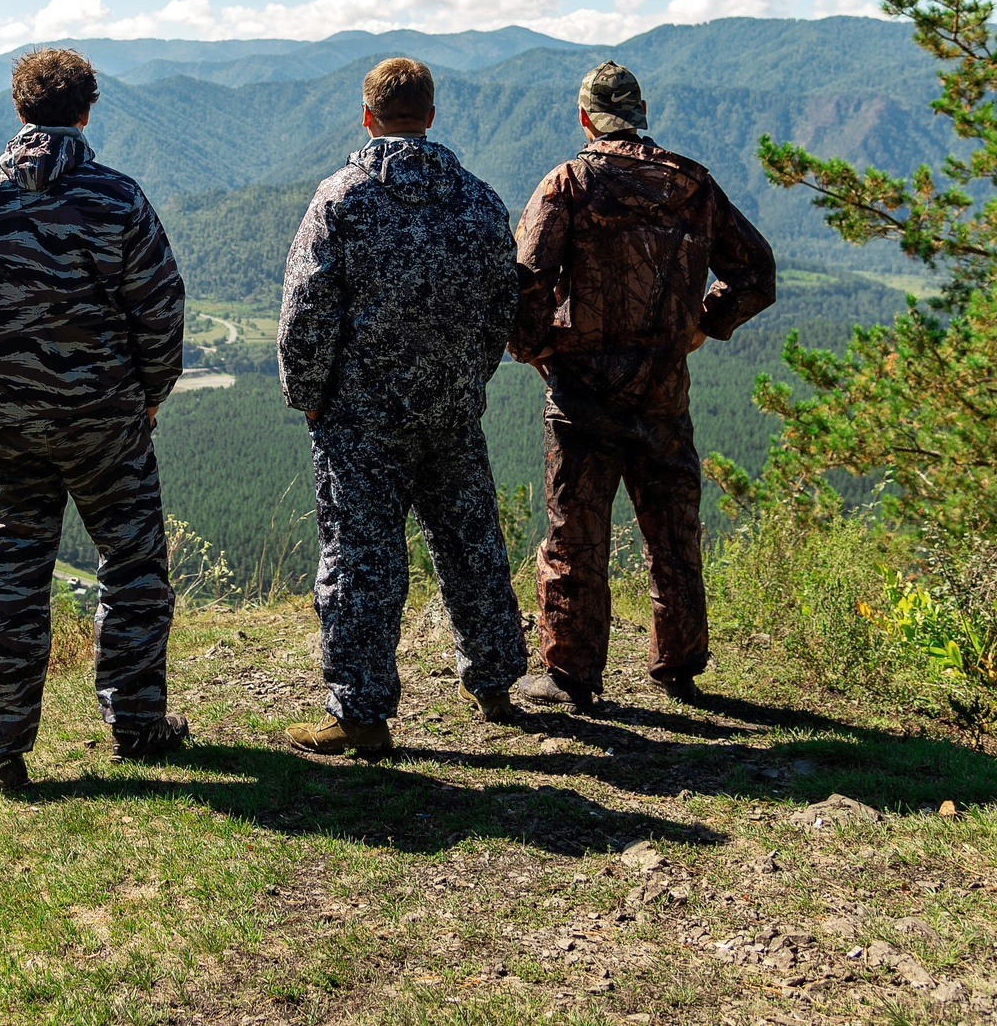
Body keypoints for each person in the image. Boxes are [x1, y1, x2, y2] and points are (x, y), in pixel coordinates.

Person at [0, 47, 191, 791]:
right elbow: (161, 309)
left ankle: (1, 747)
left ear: (18, 108)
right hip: (107, 424)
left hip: (5, 429)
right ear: (87, 109)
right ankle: (137, 724)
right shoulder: (118, 199)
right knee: (133, 570)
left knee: (7, 580)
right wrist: (149, 394)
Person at [276, 57, 529, 759]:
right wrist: (466, 379)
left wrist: (309, 396)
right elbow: (500, 307)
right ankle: (496, 680)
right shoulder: (478, 201)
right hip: (451, 411)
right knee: (472, 542)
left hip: (359, 419)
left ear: (368, 115)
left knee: (360, 558)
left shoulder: (341, 200)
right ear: (431, 113)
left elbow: (307, 313)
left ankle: (359, 712)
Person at [510, 60, 775, 710]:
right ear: (643, 113)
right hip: (663, 390)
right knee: (672, 531)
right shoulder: (691, 185)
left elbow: (524, 285)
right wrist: (701, 325)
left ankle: (571, 674)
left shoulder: (567, 184)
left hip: (581, 394)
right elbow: (757, 273)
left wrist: (538, 348)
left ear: (584, 117)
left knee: (574, 534)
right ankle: (678, 662)